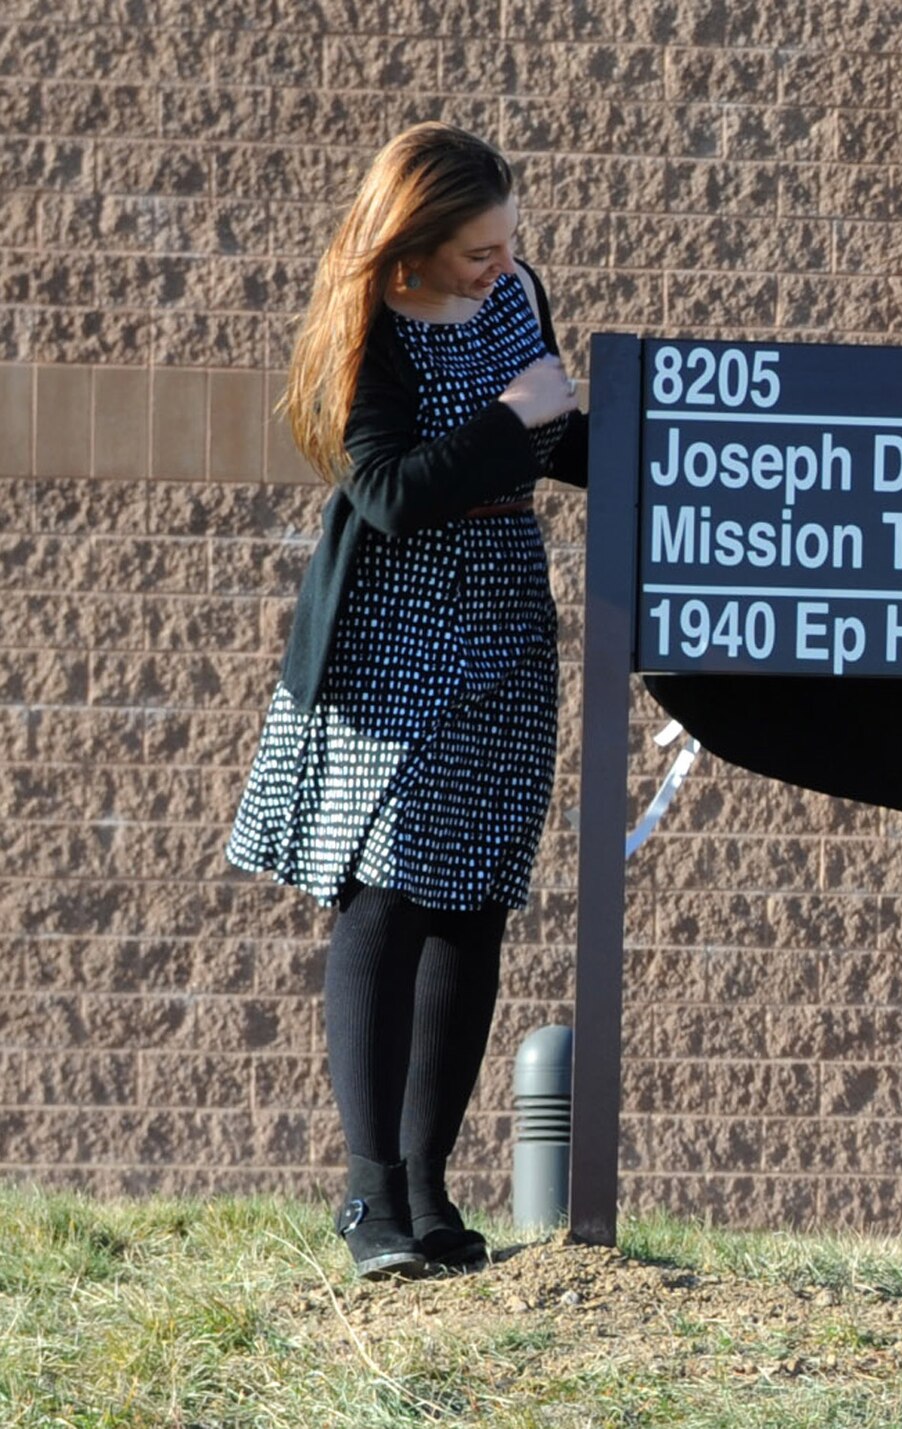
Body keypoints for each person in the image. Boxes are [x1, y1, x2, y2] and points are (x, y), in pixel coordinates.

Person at [228, 122, 586, 1280]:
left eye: (509, 246)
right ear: (412, 250)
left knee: (471, 899)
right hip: (395, 635)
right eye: (481, 252)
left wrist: (652, 443)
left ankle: (429, 1194)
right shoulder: (368, 329)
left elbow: (552, 437)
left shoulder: (514, 296)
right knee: (382, 898)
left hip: (503, 627)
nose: (504, 267)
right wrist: (514, 418)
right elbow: (386, 494)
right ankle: (369, 1195)